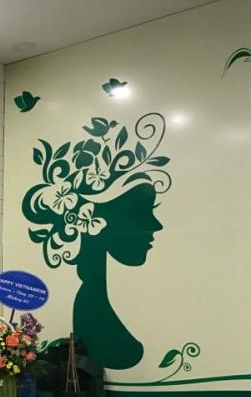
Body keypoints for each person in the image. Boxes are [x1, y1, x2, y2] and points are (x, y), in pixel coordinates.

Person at [22, 113, 171, 370]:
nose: (156, 225)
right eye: (140, 213)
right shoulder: (92, 308)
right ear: (95, 221)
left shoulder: (98, 299)